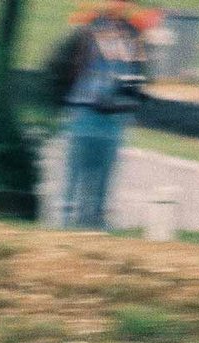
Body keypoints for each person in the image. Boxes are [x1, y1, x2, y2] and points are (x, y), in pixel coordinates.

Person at [58, 2, 152, 230]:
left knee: (103, 175)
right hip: (85, 110)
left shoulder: (133, 34)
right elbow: (61, 65)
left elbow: (139, 74)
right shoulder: (86, 29)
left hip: (114, 116)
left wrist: (132, 98)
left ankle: (95, 223)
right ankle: (67, 224)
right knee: (77, 172)